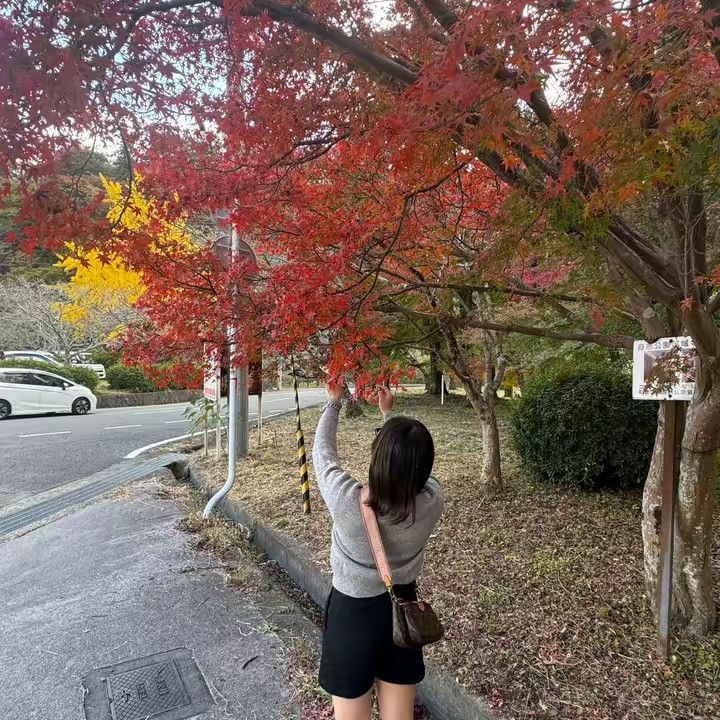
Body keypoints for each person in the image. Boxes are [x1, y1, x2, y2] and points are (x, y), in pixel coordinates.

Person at [312, 381, 444, 720]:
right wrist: (390, 417)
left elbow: (323, 455)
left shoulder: (348, 502)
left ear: (377, 459)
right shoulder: (432, 501)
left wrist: (334, 402)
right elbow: (414, 466)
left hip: (352, 616)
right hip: (404, 613)